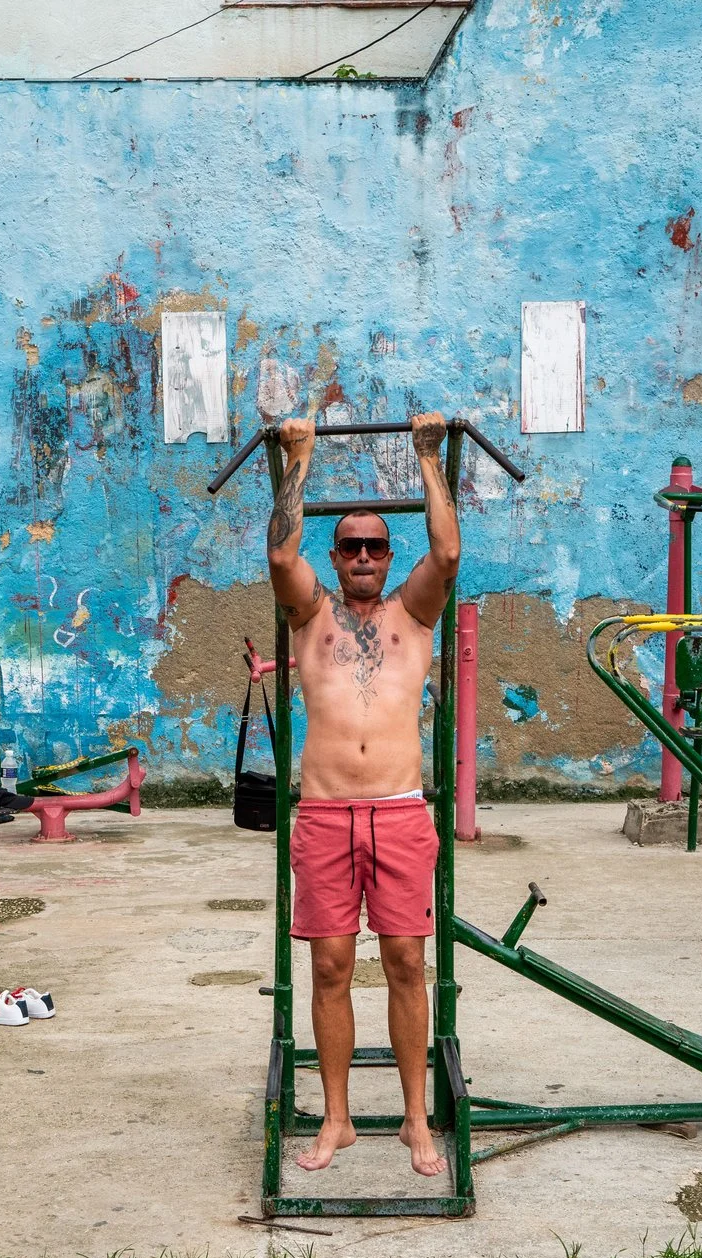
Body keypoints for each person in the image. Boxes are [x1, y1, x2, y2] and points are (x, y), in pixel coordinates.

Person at [265, 411, 458, 1177]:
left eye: (378, 546)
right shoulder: (309, 617)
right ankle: (338, 1118)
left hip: (399, 814)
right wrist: (298, 459)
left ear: (389, 556)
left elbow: (447, 549)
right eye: (351, 547)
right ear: (336, 556)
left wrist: (427, 455)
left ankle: (415, 1119)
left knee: (408, 962)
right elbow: (281, 551)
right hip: (323, 815)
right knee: (331, 967)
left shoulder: (415, 614)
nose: (366, 557)